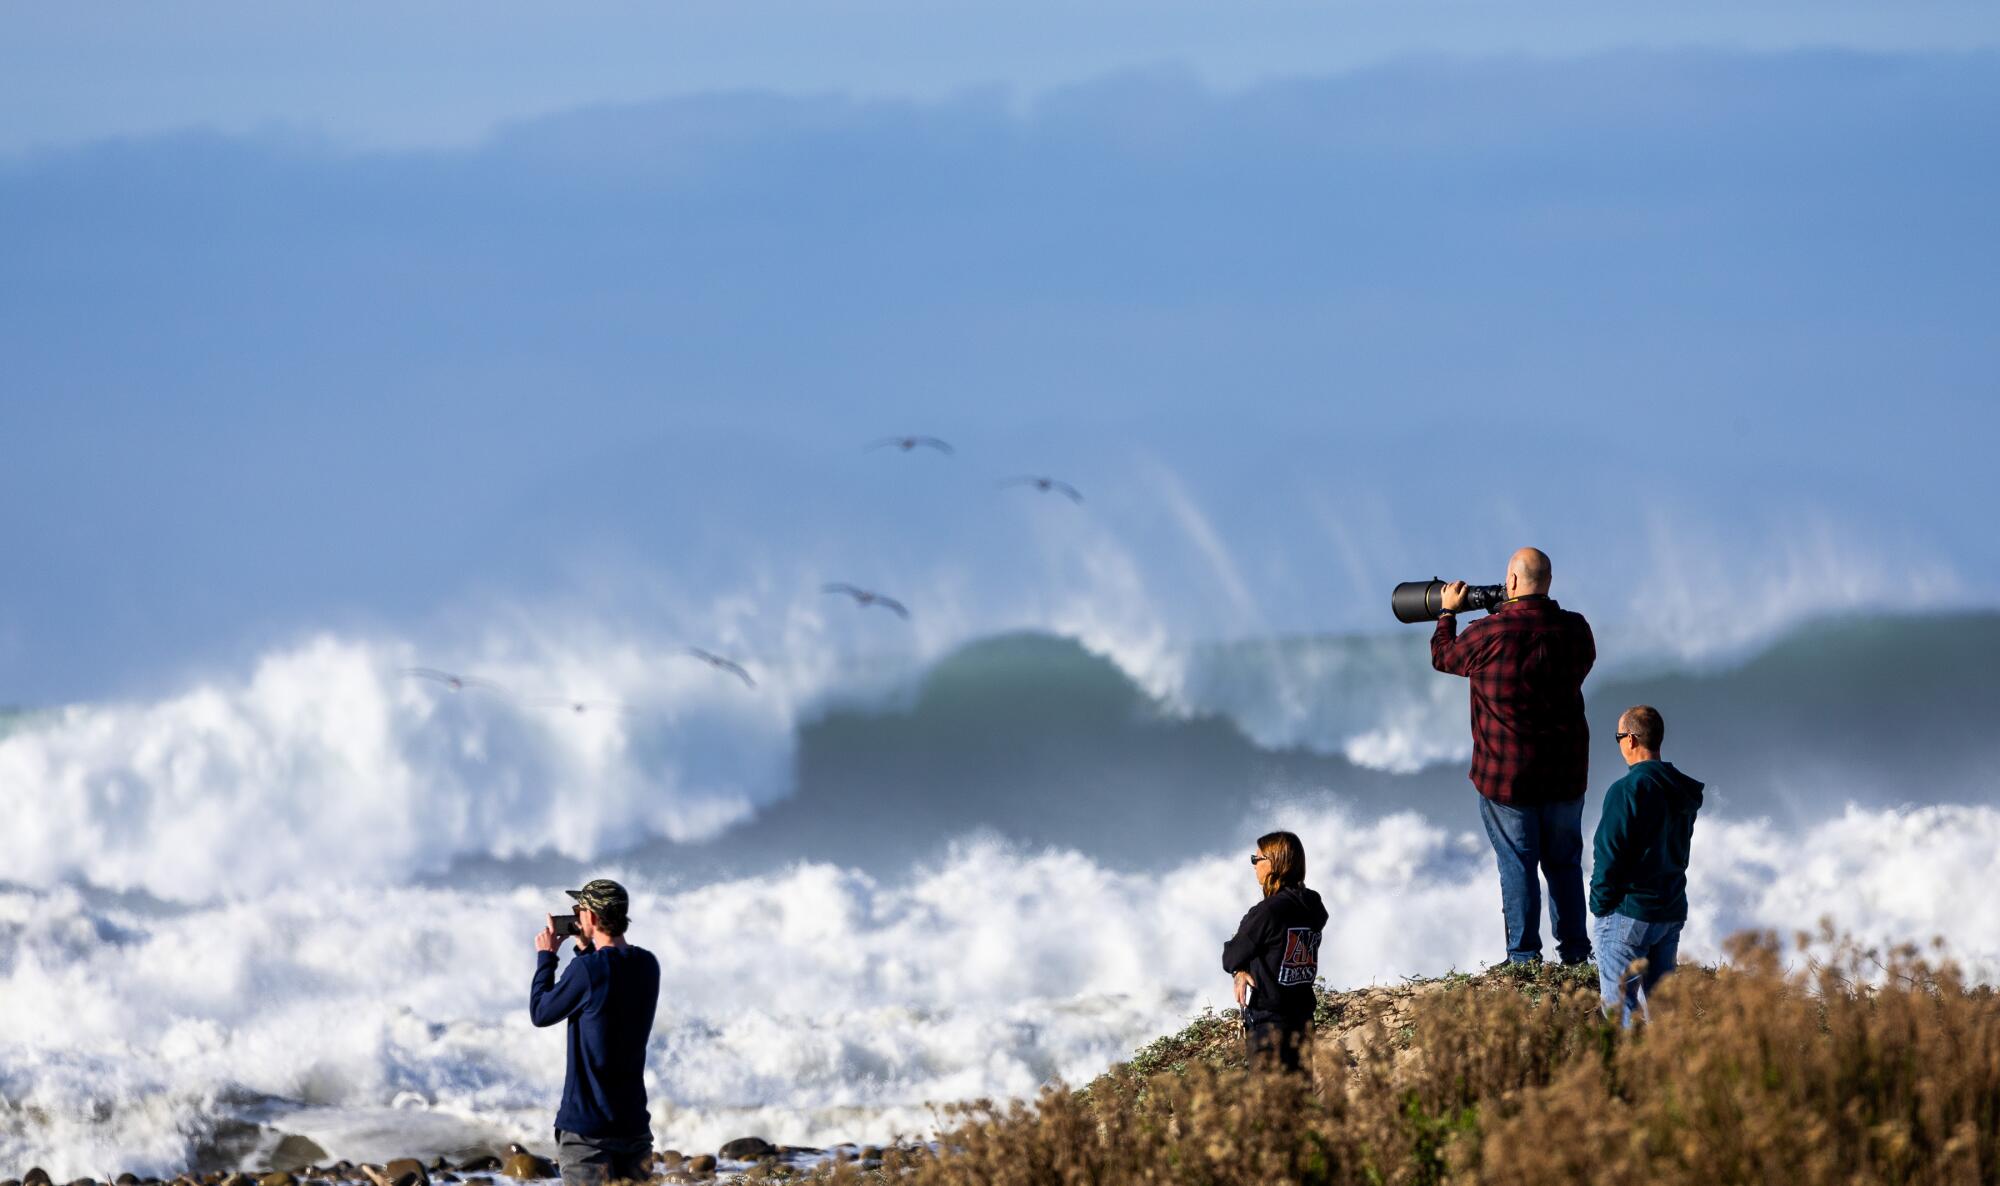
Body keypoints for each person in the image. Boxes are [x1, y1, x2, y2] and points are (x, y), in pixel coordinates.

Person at [1430, 547, 1597, 966]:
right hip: (1565, 773)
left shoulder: (1489, 634)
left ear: (1513, 583)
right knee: (1564, 865)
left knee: (1518, 865)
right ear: (1548, 583)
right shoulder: (1576, 630)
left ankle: (1524, 957)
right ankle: (1575, 954)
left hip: (1507, 779)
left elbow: (1443, 656)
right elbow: (1582, 660)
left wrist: (1448, 612)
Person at [531, 878, 662, 1186]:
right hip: (633, 1125)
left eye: (580, 909)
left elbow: (541, 1012)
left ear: (590, 917)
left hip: (587, 1131)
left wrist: (547, 957)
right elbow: (604, 987)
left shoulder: (586, 971)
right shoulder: (647, 964)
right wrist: (584, 949)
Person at [1591, 705, 1704, 1026]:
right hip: (1669, 910)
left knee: (1620, 1015)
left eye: (1617, 737)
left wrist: (1600, 907)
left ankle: (1632, 1074)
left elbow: (1608, 854)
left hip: (1631, 912)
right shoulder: (1680, 789)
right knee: (1665, 1012)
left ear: (1630, 739)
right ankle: (1670, 1070)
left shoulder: (1627, 790)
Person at [1222, 831, 1329, 1072]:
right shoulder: (1313, 906)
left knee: (1270, 1105)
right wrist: (1241, 970)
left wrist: (1238, 968)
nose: (1253, 866)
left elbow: (1231, 955)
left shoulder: (1266, 912)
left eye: (1256, 859)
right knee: (1299, 1101)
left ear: (1275, 863)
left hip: (1270, 1026)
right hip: (1303, 1022)